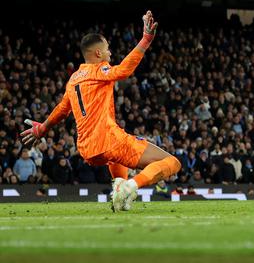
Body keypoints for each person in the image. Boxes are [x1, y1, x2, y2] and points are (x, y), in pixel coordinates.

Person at [20, 11, 181, 211]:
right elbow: (123, 70)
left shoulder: (74, 79)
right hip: (108, 140)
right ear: (98, 54)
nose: (110, 53)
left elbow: (63, 109)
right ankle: (132, 186)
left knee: (114, 157)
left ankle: (119, 190)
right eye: (107, 49)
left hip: (87, 149)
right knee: (172, 162)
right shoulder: (100, 70)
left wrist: (43, 128)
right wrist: (146, 40)